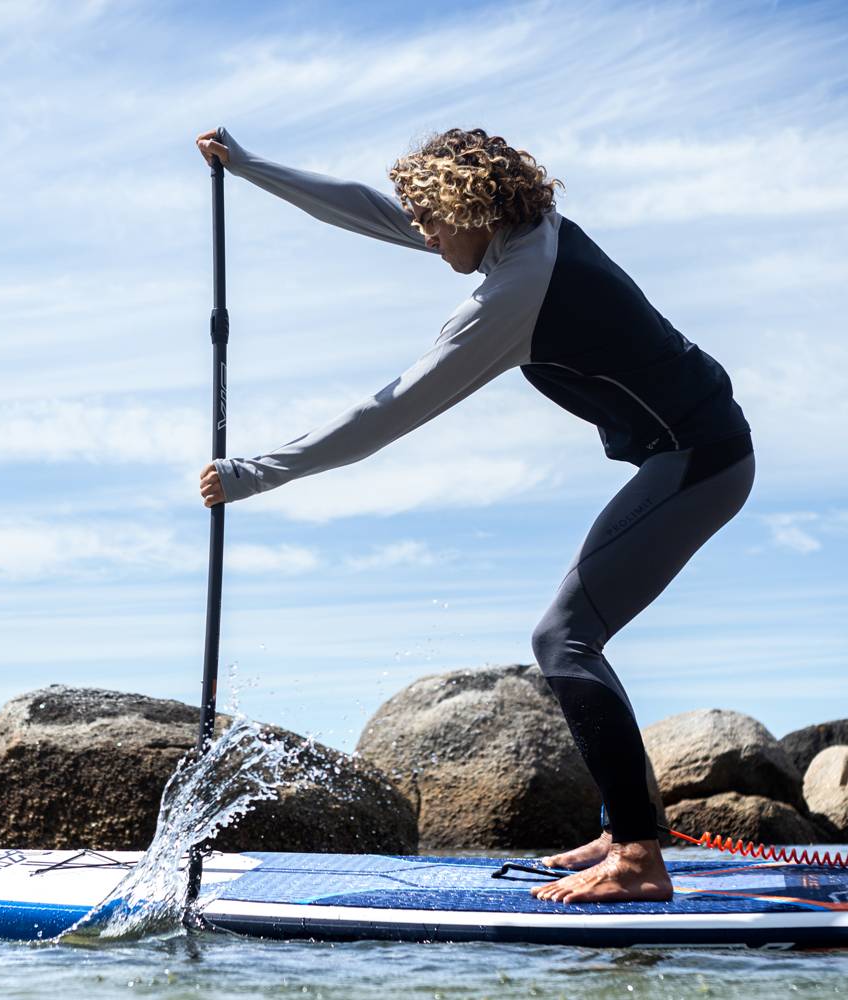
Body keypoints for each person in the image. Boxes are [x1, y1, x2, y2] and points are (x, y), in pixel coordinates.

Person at [194, 125, 754, 904]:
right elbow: (370, 210)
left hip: (700, 461)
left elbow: (387, 414)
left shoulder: (515, 293)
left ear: (472, 211)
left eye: (431, 220)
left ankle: (637, 858)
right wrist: (251, 166)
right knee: (573, 637)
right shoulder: (522, 231)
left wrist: (254, 473)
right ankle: (624, 829)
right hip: (697, 448)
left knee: (564, 638)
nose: (421, 234)